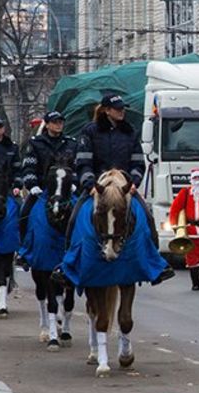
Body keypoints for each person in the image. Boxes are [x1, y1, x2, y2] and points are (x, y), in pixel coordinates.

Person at [69, 94, 174, 285]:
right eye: (117, 109)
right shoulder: (89, 131)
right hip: (98, 187)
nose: (121, 112)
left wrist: (134, 182)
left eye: (122, 108)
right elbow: (82, 162)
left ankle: (156, 264)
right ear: (107, 110)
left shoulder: (130, 132)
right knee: (74, 217)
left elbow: (138, 162)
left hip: (124, 188)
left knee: (148, 219)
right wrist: (91, 185)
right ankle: (67, 265)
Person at [19, 111, 78, 238]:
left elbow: (77, 166)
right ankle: (23, 247)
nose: (58, 125)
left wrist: (74, 182)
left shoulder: (72, 143)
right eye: (55, 122)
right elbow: (29, 166)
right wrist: (32, 185)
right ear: (47, 125)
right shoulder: (35, 143)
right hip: (42, 189)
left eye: (60, 122)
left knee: (82, 212)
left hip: (67, 190)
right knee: (24, 213)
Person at [0, 117, 22, 317]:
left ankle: (24, 246)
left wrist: (17, 185)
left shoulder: (12, 147)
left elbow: (18, 169)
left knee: (23, 208)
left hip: (7, 191)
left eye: (0, 127)